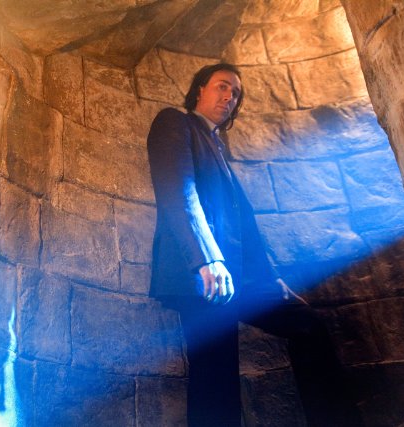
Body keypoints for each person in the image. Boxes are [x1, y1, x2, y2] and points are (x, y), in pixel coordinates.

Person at [147, 63, 360, 426]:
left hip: (243, 276)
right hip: (202, 270)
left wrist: (271, 279)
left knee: (308, 326)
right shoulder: (175, 122)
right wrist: (206, 259)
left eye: (235, 93)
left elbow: (243, 226)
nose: (229, 97)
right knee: (215, 377)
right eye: (222, 86)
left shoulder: (217, 147)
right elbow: (178, 192)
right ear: (199, 90)